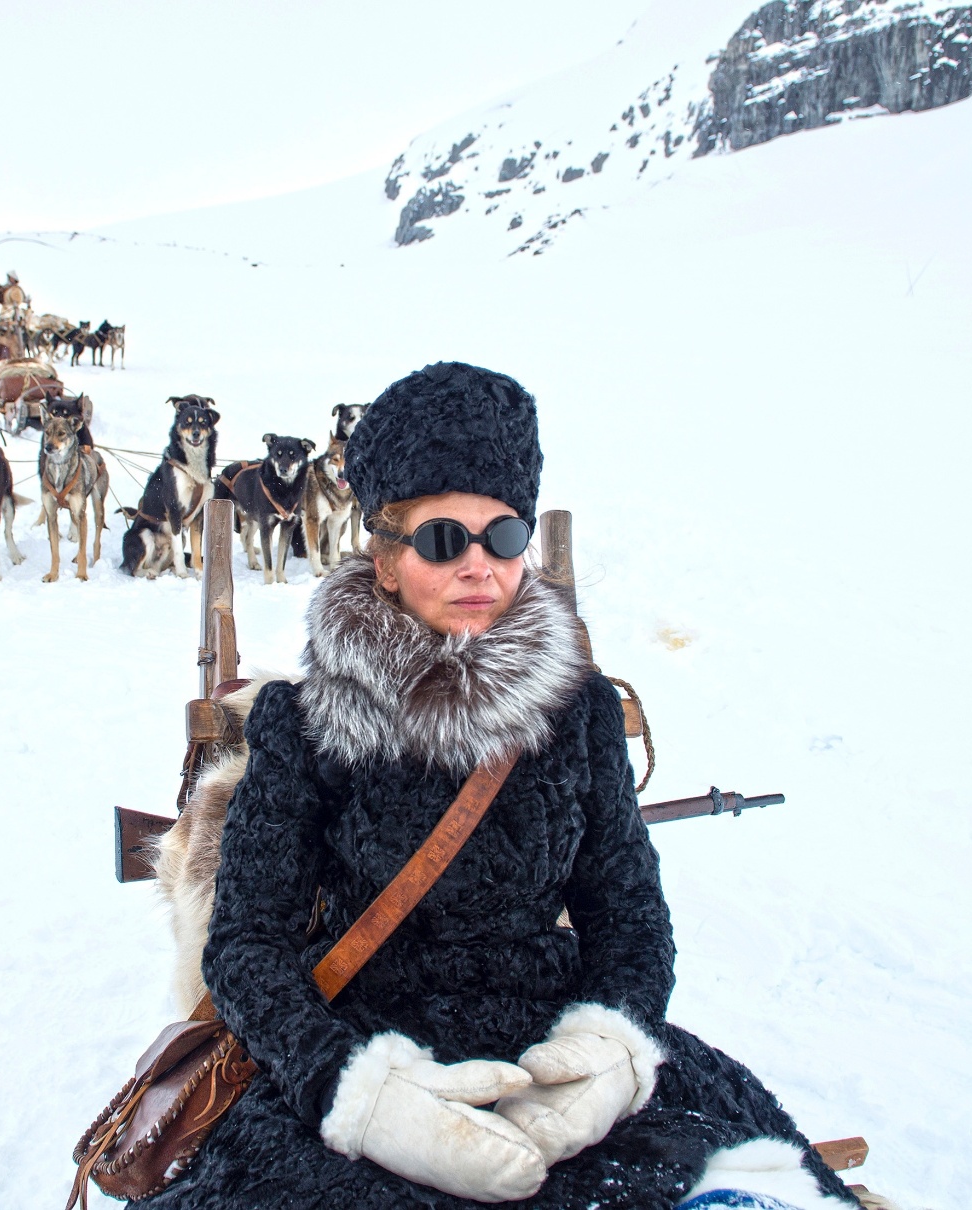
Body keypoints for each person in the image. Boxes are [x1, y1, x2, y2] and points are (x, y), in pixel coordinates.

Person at [139, 362, 859, 1209]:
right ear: (385, 558)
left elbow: (626, 916)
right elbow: (246, 947)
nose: (479, 565)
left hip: (552, 1051)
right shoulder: (306, 724)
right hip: (370, 1053)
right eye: (445, 539)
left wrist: (610, 1048)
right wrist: (358, 1094)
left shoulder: (579, 714)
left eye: (505, 536)